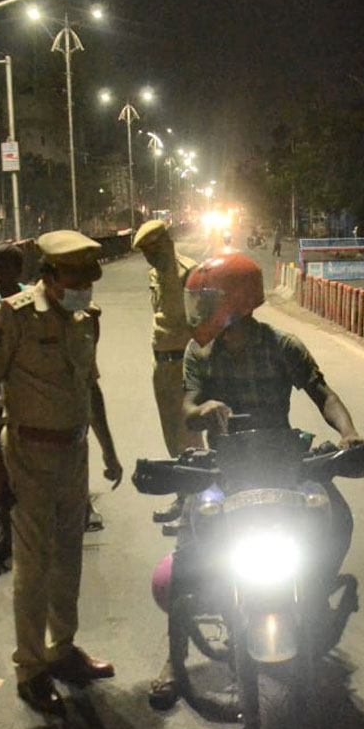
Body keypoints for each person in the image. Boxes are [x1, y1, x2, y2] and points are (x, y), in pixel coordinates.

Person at [147, 251, 364, 709]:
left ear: (239, 302)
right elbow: (187, 406)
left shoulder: (281, 345)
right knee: (189, 549)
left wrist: (348, 434)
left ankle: (315, 590)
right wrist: (201, 409)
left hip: (283, 460)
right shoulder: (198, 353)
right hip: (226, 467)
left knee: (335, 518)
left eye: (207, 302)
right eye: (198, 303)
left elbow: (321, 392)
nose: (199, 313)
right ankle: (175, 657)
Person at [0, 229, 124, 717]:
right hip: (29, 455)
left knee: (69, 558)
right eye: (77, 278)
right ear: (50, 276)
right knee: (34, 567)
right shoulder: (11, 315)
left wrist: (108, 449)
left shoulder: (86, 320)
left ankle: (63, 649)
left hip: (73, 454)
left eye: (89, 279)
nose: (86, 287)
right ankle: (31, 667)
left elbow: (90, 387)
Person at [132, 219, 204, 529]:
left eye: (154, 249)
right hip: (161, 365)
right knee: (172, 436)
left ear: (168, 242)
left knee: (189, 437)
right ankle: (183, 494)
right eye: (146, 252)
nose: (150, 256)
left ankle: (196, 507)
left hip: (183, 365)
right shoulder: (154, 275)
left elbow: (202, 323)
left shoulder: (189, 273)